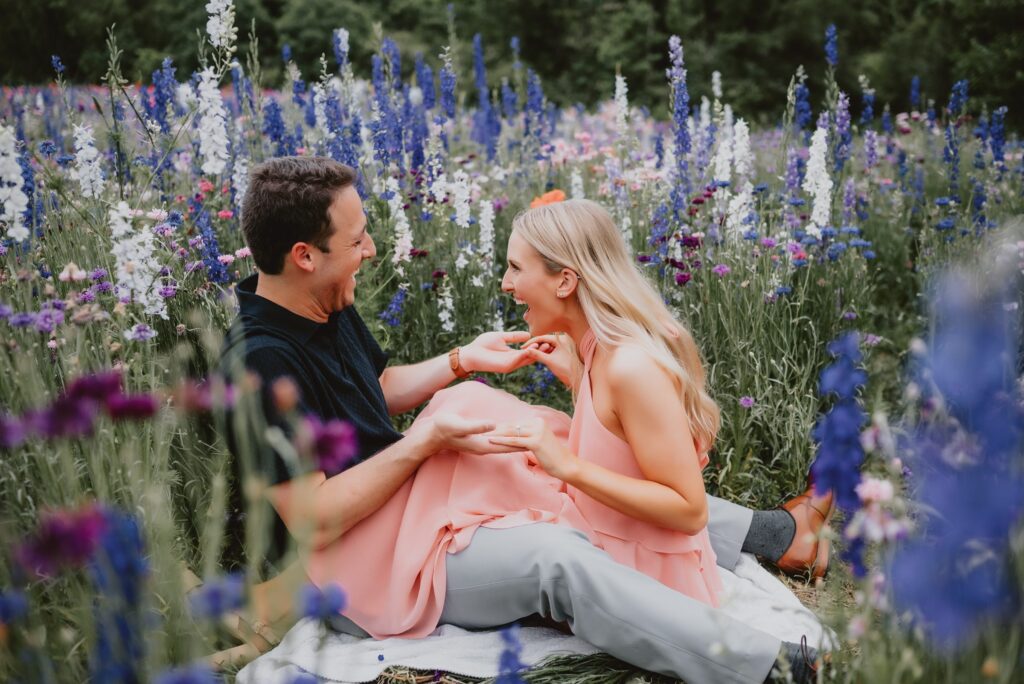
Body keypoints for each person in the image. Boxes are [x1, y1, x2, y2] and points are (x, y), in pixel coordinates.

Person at [219, 156, 833, 683]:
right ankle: (771, 666)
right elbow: (313, 518)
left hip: (407, 501)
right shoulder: (259, 361)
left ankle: (777, 535)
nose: (371, 249)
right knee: (552, 552)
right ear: (304, 255)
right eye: (356, 241)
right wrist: (423, 444)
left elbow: (377, 389)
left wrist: (462, 362)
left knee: (532, 436)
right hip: (361, 560)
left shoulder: (320, 297)